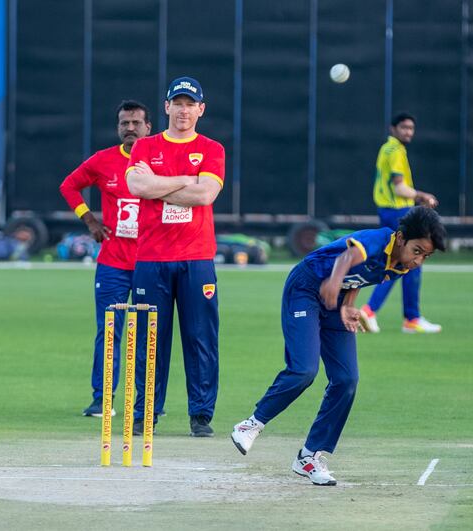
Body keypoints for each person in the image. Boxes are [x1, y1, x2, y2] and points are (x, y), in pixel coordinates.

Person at [231, 206, 446, 485]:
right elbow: (348, 258)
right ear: (402, 238)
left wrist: (347, 305)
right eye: (417, 250)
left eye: (425, 256)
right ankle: (251, 424)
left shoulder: (400, 266)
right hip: (307, 288)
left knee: (346, 379)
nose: (418, 261)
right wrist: (333, 282)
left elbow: (361, 276)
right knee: (304, 370)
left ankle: (308, 457)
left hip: (336, 299)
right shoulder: (380, 240)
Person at [125, 77, 225, 437]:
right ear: (167, 107)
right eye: (177, 103)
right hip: (151, 258)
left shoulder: (212, 149)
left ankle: (201, 415)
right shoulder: (144, 147)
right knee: (150, 338)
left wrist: (162, 185)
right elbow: (138, 187)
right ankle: (145, 411)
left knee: (200, 337)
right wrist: (187, 179)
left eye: (190, 104)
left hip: (196, 257)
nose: (184, 111)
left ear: (201, 109)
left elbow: (205, 196)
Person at [59, 100, 152, 416]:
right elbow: (69, 186)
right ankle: (102, 399)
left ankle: (147, 403)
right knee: (110, 330)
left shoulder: (159, 160)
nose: (130, 128)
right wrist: (89, 220)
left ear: (148, 127)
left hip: (150, 263)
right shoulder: (104, 161)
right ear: (118, 128)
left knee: (149, 334)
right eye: (124, 123)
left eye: (136, 123)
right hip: (112, 262)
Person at [359, 113, 441, 334]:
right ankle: (377, 312)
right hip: (398, 211)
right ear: (392, 128)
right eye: (404, 127)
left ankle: (408, 317)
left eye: (411, 128)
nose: (408, 132)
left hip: (389, 211)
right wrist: (422, 196)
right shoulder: (395, 151)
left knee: (406, 262)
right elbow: (399, 188)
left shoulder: (387, 148)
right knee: (409, 260)